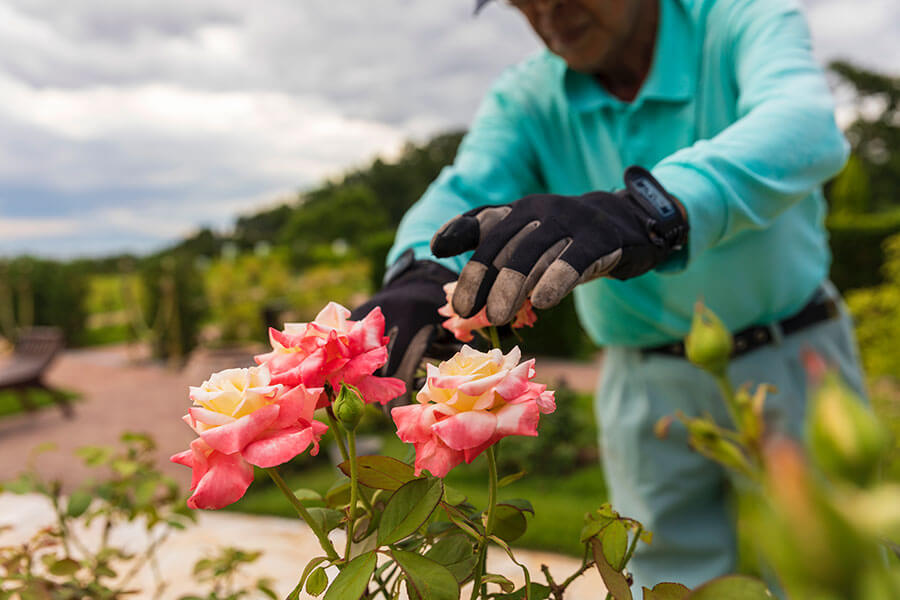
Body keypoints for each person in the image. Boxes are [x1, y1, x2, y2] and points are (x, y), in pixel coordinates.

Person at [352, 0, 866, 591]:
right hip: (643, 384)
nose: (548, 13)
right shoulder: (529, 96)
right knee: (665, 581)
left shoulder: (738, 19)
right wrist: (420, 270)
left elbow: (802, 124)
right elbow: (466, 187)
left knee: (837, 578)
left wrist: (650, 207)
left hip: (794, 357)